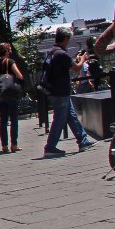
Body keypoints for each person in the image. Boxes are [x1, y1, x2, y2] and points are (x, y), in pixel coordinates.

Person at [43, 26, 96, 156]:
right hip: (61, 91)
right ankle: (50, 147)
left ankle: (83, 141)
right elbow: (77, 68)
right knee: (59, 119)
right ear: (65, 39)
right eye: (68, 39)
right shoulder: (62, 53)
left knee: (71, 116)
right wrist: (83, 59)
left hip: (56, 90)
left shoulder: (52, 52)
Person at [0, 43, 25, 153]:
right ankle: (14, 144)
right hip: (11, 94)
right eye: (9, 50)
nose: (10, 51)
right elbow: (19, 75)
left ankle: (4, 146)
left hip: (0, 94)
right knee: (14, 119)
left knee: (3, 120)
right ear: (6, 51)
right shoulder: (10, 62)